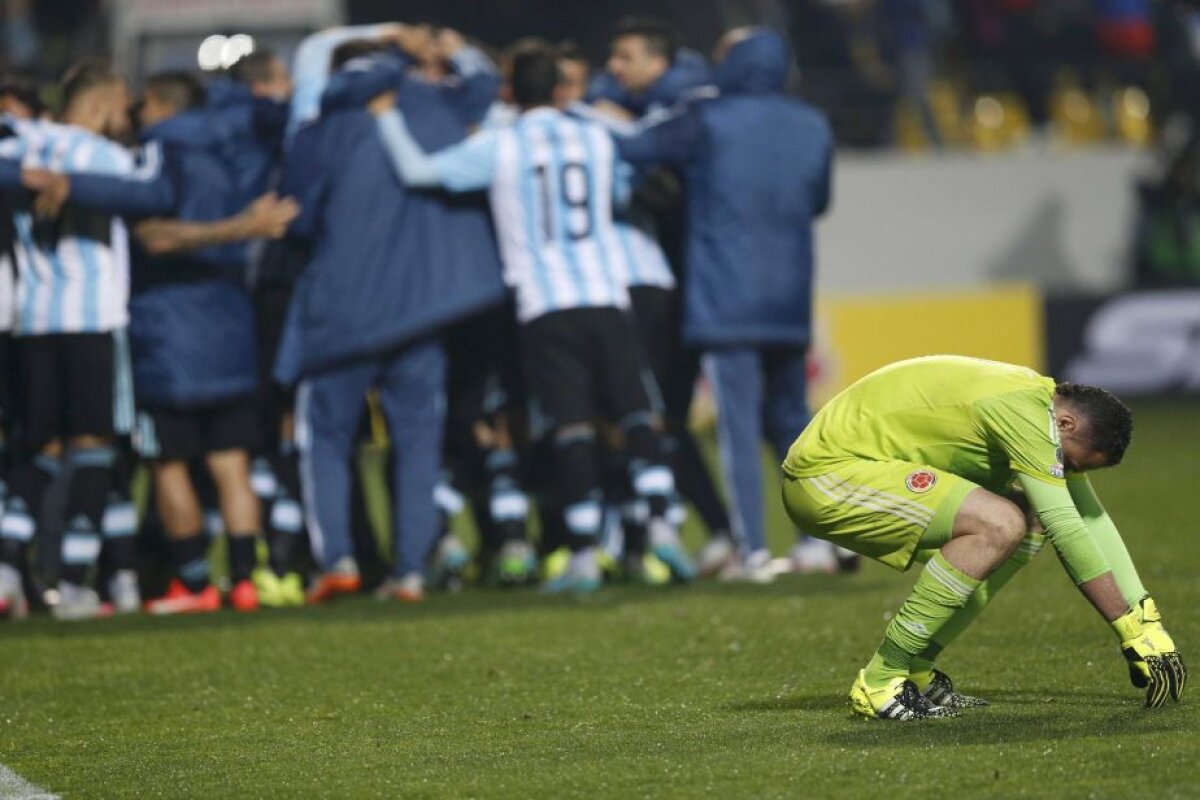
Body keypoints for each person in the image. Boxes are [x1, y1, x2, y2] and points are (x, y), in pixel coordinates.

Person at [371, 45, 695, 592]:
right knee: (636, 413)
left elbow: (418, 171)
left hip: (545, 304)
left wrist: (385, 118)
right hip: (606, 292)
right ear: (563, 89)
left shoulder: (500, 144)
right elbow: (625, 188)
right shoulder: (596, 137)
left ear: (509, 92)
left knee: (570, 427)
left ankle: (585, 555)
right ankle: (662, 520)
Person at [780, 355, 1187, 719]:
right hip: (824, 477)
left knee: (1027, 522)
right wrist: (1127, 629)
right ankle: (880, 680)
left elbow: (1092, 518)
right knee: (999, 523)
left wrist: (1147, 621)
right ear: (1066, 424)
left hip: (860, 467)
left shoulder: (1038, 405)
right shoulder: (1023, 411)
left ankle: (916, 668)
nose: (1060, 470)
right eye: (1067, 462)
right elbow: (1067, 524)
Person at [21, 71, 284, 615]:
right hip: (231, 328)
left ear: (160, 105)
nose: (134, 117)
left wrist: (73, 185)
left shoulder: (156, 155)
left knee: (169, 464)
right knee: (230, 462)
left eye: (141, 107)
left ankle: (193, 584)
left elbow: (156, 234)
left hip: (166, 333)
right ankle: (243, 580)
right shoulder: (235, 150)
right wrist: (243, 228)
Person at [275, 42, 507, 604]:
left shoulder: (320, 129)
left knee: (325, 440)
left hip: (343, 314)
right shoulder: (432, 108)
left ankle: (338, 560)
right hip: (419, 310)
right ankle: (409, 571)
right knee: (418, 440)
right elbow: (485, 84)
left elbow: (294, 218)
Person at [617, 28, 835, 579]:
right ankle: (819, 544)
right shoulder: (811, 122)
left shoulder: (707, 117)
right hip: (789, 295)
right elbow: (818, 201)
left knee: (736, 428)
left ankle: (752, 549)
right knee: (793, 426)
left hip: (725, 296)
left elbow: (634, 146)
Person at [0, 61, 139, 620]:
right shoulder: (105, 157)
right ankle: (74, 584)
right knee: (92, 448)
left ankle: (8, 568)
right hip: (90, 319)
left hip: (32, 319)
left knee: (40, 451)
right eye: (122, 109)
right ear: (103, 104)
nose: (125, 120)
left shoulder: (27, 142)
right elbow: (151, 193)